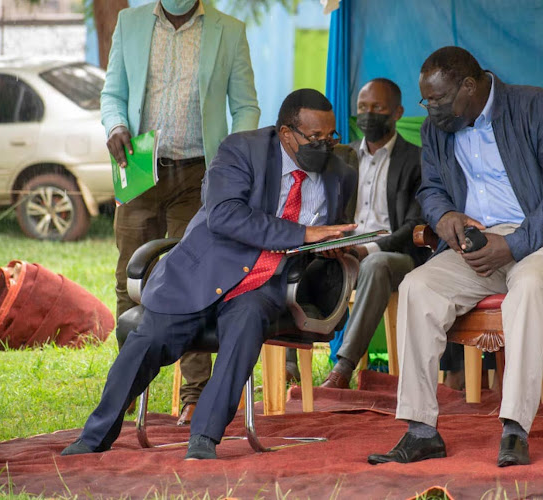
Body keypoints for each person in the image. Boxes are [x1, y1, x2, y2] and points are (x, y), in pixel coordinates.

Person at [61, 89, 357, 460]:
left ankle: (204, 437)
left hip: (265, 280)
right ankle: (95, 435)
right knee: (148, 339)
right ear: (285, 133)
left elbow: (328, 233)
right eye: (314, 138)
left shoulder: (339, 175)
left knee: (246, 326)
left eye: (331, 137)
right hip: (204, 269)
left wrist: (334, 245)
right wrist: (301, 234)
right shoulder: (240, 151)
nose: (325, 146)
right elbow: (224, 215)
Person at [368, 46, 543, 467]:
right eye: (426, 100)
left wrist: (514, 244)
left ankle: (514, 427)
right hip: (476, 245)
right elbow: (431, 190)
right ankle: (421, 429)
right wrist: (446, 216)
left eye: (437, 99)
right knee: (416, 286)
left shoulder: (538, 107)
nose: (430, 109)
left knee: (528, 286)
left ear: (470, 86)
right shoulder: (438, 128)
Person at [101, 0, 260, 426]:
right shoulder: (129, 23)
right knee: (129, 279)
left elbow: (245, 105)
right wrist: (115, 125)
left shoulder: (229, 30)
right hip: (138, 168)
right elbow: (113, 93)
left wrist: (233, 160)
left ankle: (194, 395)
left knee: (195, 278)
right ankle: (128, 389)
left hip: (200, 174)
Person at [320, 78, 428, 389]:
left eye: (377, 108)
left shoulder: (416, 160)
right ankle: (289, 362)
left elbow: (414, 226)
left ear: (397, 113)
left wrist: (368, 249)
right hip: (345, 252)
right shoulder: (342, 157)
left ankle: (343, 367)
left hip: (398, 258)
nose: (368, 115)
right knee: (296, 260)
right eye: (362, 108)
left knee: (374, 264)